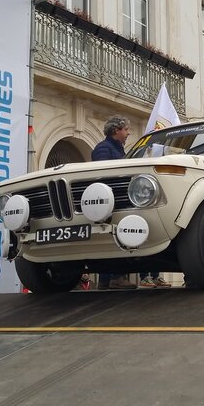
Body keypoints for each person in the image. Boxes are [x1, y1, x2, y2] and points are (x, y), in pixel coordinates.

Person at [92, 116, 136, 290]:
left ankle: (110, 279)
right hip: (110, 202)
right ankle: (113, 278)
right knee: (112, 239)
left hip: (117, 200)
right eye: (126, 130)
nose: (128, 133)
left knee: (118, 239)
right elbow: (103, 174)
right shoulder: (103, 148)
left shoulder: (117, 149)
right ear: (116, 130)